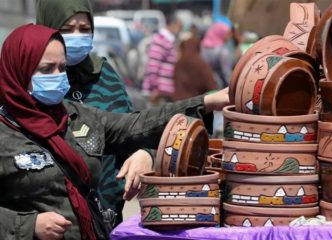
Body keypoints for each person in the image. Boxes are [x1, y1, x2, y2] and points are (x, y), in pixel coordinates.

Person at [0, 24, 228, 239]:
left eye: (61, 68)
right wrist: (29, 226)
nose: (57, 76)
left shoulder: (75, 117)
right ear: (18, 72)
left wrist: (207, 102)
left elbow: (137, 124)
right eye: (46, 69)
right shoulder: (5, 131)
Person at [35, 0, 145, 225]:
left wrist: (145, 154)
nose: (76, 36)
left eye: (84, 29)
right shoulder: (31, 80)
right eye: (66, 29)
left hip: (106, 221)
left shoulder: (105, 77)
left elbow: (135, 130)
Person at [141, 13, 183, 105]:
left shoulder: (169, 40)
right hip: (158, 93)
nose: (180, 30)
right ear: (173, 24)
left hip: (164, 91)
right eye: (180, 26)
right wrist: (155, 88)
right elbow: (153, 65)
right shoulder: (161, 40)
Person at [201, 22, 236, 88]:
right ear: (221, 33)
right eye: (227, 34)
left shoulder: (202, 47)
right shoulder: (223, 52)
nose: (230, 36)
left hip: (204, 85)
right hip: (219, 85)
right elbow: (227, 74)